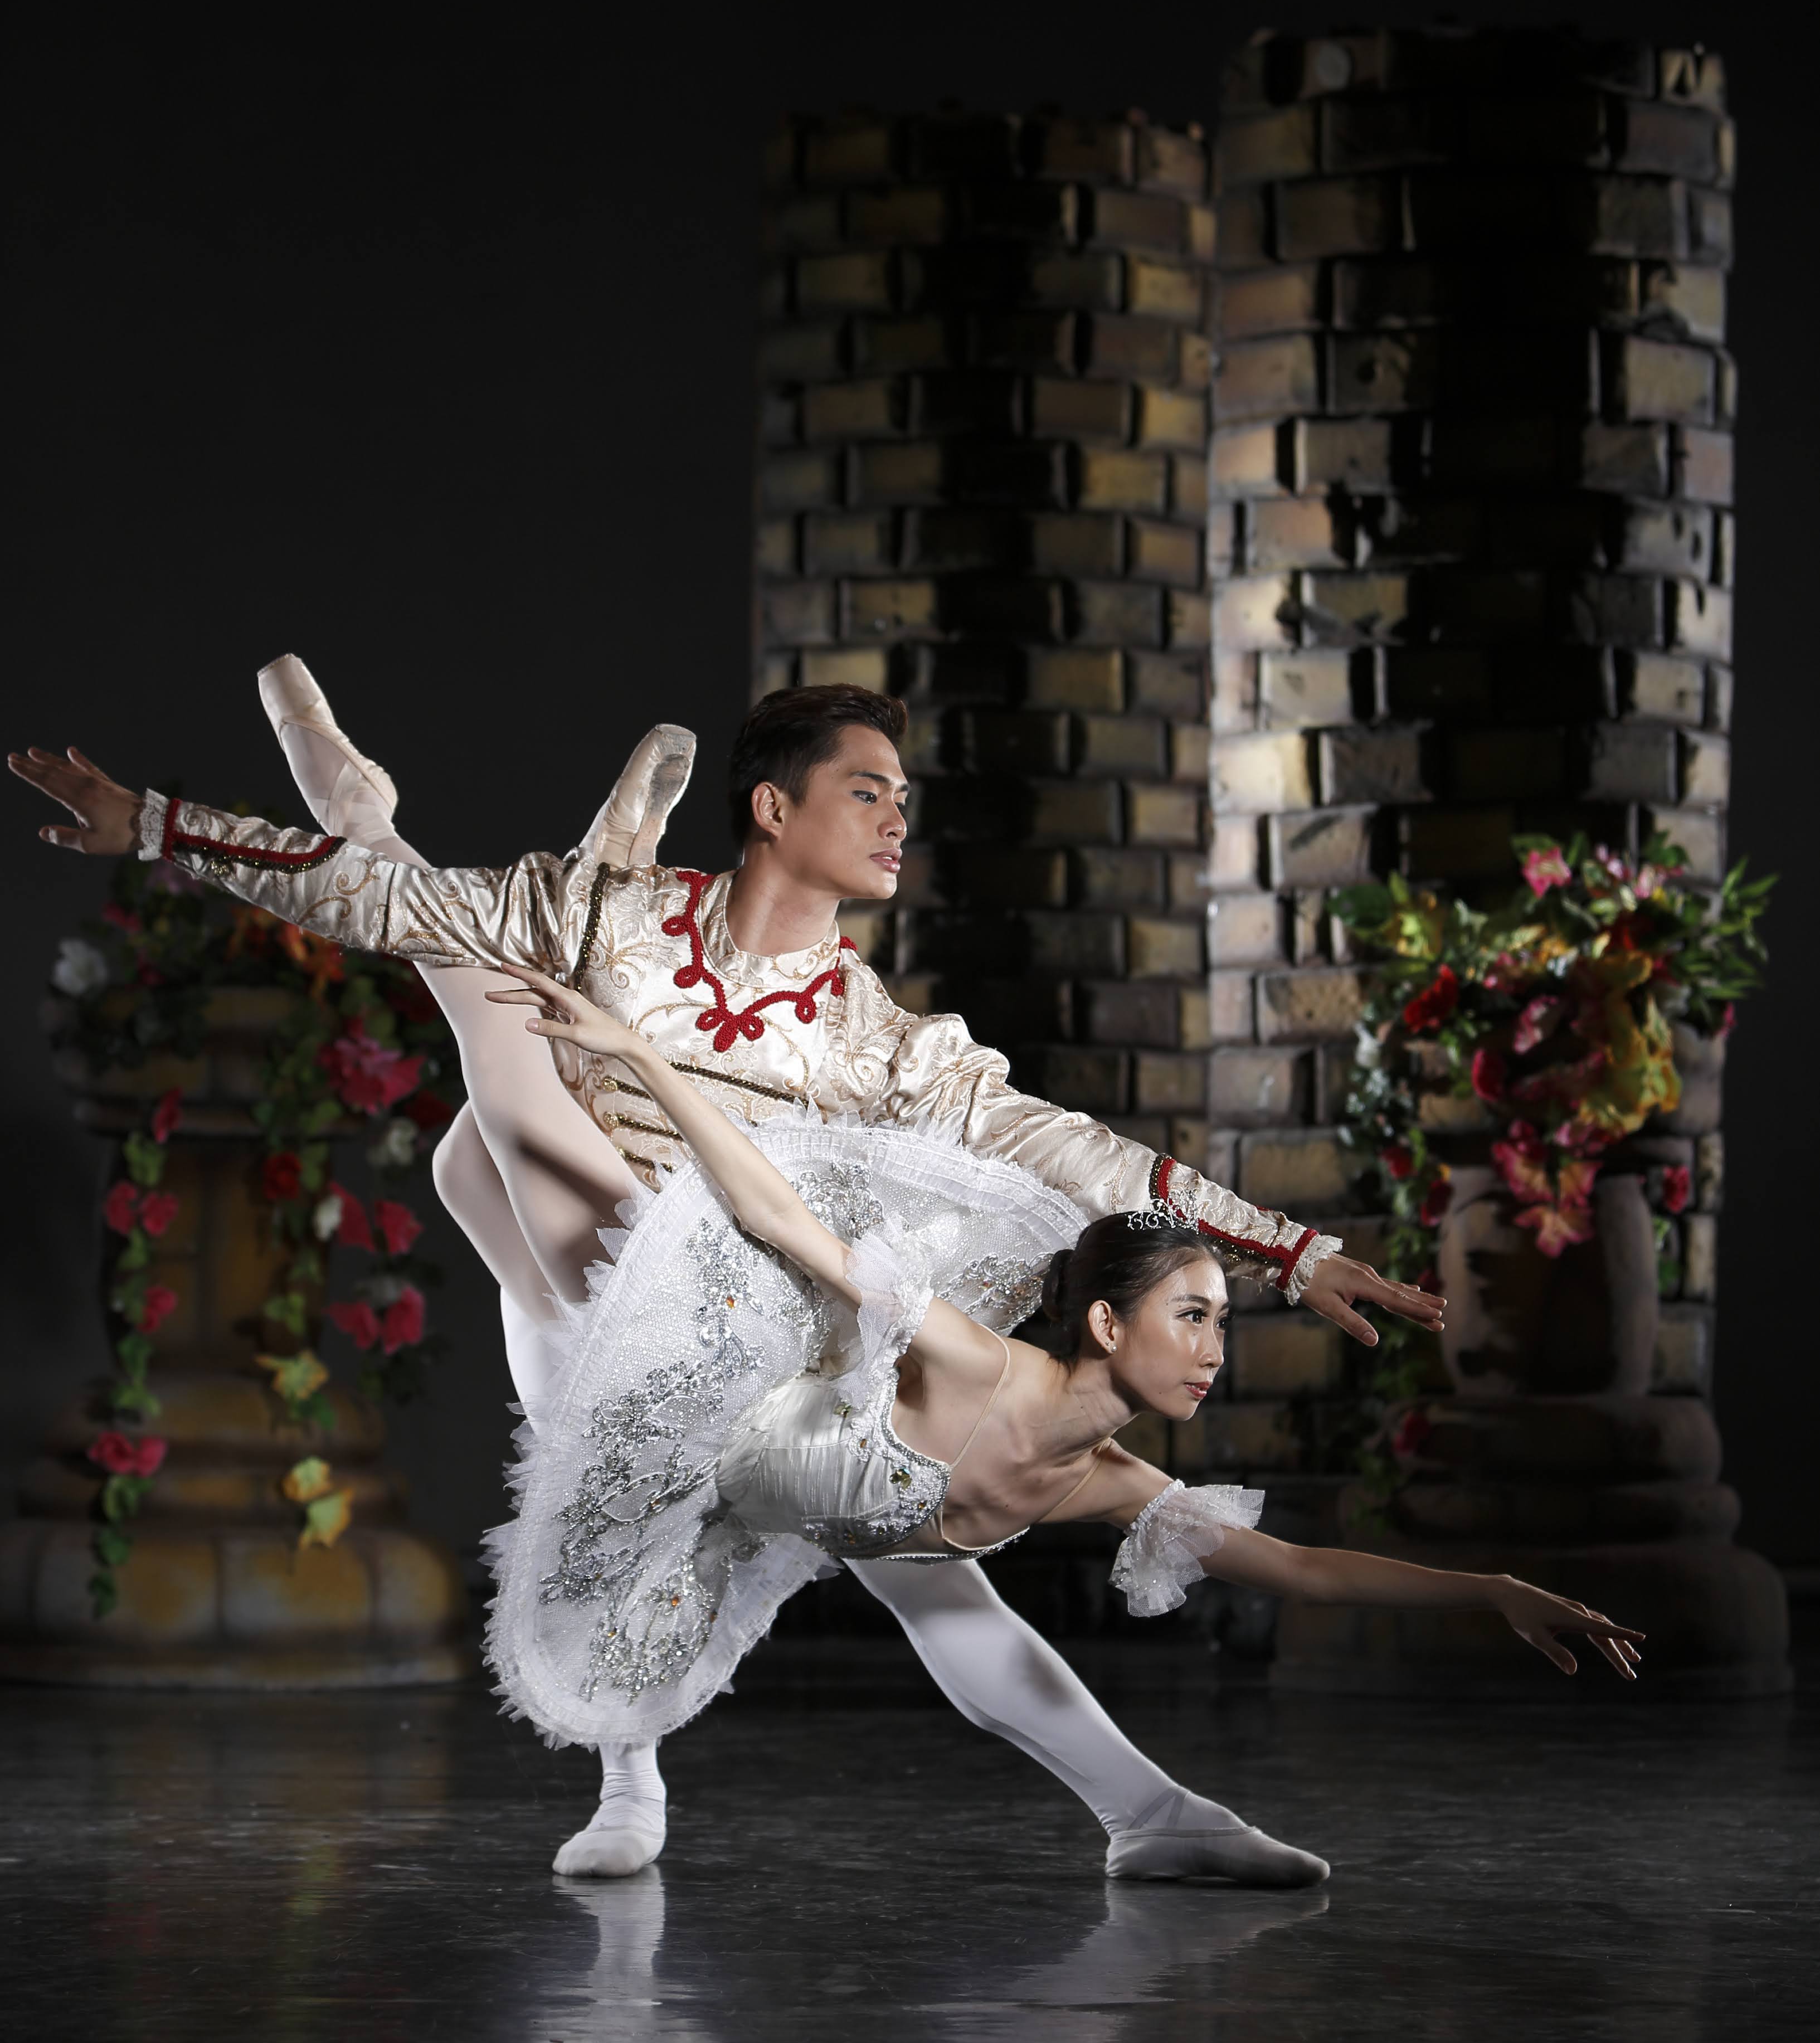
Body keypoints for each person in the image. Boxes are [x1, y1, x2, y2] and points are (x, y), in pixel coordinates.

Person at [12, 679, 1467, 1886]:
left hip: (759, 1330)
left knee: (930, 1575)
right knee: (483, 1002)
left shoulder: (886, 1045)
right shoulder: (612, 919)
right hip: (581, 1282)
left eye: (906, 798)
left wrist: (1293, 1249)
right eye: (866, 791)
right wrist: (159, 824)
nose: (897, 820)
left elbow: (1090, 1155)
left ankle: (1152, 1814)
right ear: (774, 807)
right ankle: (631, 1775)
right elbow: (381, 908)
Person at [476, 966, 1644, 1813]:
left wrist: (1492, 1589)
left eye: (1221, 1322)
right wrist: (642, 1063)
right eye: (1191, 1316)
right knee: (513, 1198)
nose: (1212, 1351)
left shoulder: (1108, 1481)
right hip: (686, 1401)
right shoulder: (975, 1362)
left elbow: (1303, 1570)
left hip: (745, 1525)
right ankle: (417, 882)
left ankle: (1150, 1820)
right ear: (1104, 1323)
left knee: (490, 1199)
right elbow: (784, 1217)